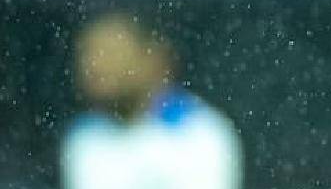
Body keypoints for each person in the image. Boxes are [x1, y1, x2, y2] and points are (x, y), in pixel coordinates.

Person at [61, 13, 242, 189]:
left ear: (151, 58)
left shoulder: (200, 130)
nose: (96, 65)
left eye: (112, 53)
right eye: (88, 54)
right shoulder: (84, 136)